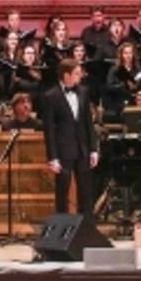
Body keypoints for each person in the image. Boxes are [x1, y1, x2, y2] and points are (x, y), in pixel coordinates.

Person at [41, 58, 99, 215]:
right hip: (63, 151)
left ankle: (86, 227)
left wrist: (93, 149)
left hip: (83, 149)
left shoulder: (83, 92)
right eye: (77, 74)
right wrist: (52, 157)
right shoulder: (50, 96)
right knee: (62, 193)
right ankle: (64, 230)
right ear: (66, 76)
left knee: (86, 192)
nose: (80, 76)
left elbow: (88, 122)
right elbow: (49, 129)